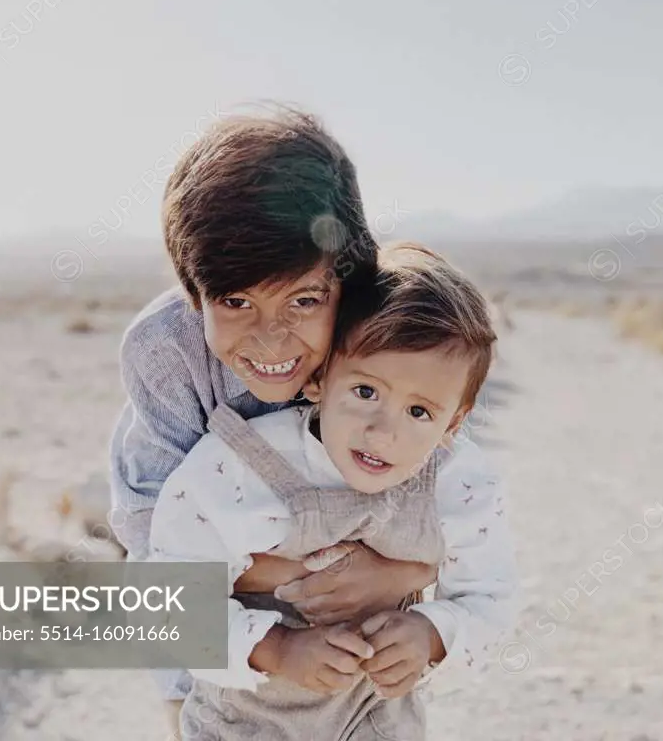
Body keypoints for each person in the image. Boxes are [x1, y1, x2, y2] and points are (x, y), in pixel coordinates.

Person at [107, 109, 497, 732]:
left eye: (305, 299)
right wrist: (309, 579)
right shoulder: (166, 350)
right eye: (234, 301)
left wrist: (411, 572)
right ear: (194, 292)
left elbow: (433, 475)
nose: (272, 337)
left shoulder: (377, 317)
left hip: (358, 667)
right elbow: (151, 531)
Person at [148, 242, 517, 740]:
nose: (383, 433)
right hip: (244, 724)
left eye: (419, 412)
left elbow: (491, 600)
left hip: (376, 722)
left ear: (454, 421)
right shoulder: (239, 466)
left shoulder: (458, 483)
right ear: (320, 380)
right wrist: (277, 648)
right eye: (365, 392)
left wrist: (431, 635)